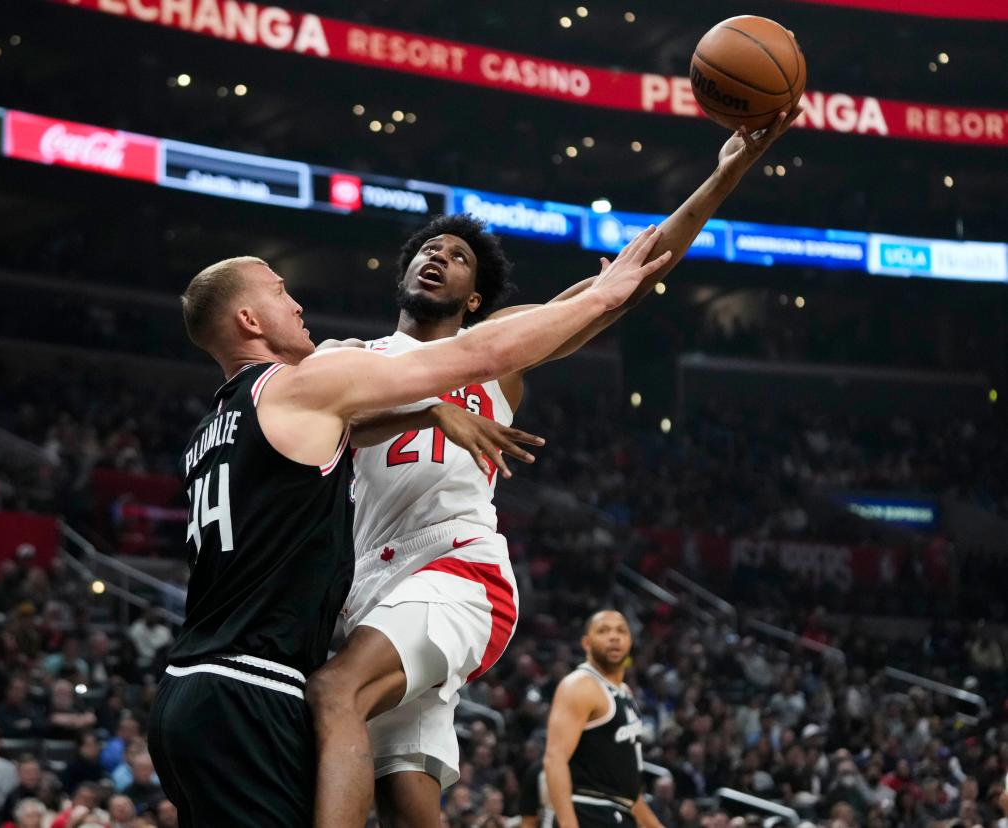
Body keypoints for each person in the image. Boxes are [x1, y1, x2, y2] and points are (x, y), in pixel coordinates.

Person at [306, 109, 801, 828]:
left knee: (334, 695)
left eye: (457, 256)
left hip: (456, 569)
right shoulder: (348, 358)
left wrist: (726, 173)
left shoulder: (499, 351)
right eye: (427, 249)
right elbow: (323, 430)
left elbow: (629, 279)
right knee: (404, 792)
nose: (437, 256)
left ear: (475, 299)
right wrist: (427, 411)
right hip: (366, 587)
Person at [147, 245, 671, 827]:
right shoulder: (308, 380)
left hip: (182, 692)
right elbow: (479, 351)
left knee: (403, 781)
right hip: (255, 683)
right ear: (248, 320)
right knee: (336, 694)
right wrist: (602, 294)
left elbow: (365, 423)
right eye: (279, 292)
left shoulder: (209, 430)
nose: (297, 305)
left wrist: (423, 414)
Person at [544, 611, 660, 828]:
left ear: (630, 641)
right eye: (603, 631)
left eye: (621, 631)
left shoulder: (625, 692)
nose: (614, 636)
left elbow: (628, 788)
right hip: (587, 809)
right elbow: (554, 759)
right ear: (586, 643)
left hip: (619, 812)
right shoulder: (580, 685)